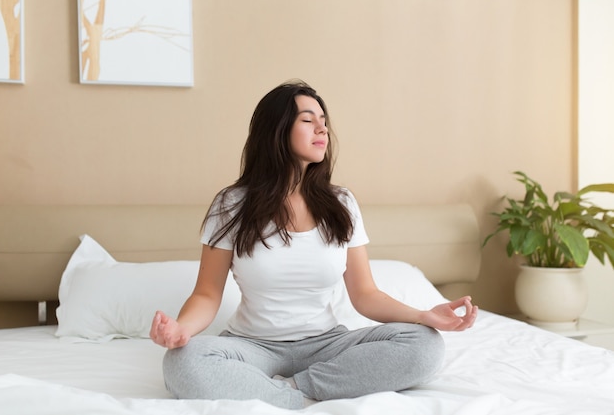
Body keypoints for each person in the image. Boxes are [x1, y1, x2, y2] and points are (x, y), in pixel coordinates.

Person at [150, 80, 478, 409]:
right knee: (183, 361)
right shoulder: (232, 204)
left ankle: (295, 390)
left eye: (324, 121)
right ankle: (307, 396)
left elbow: (366, 295)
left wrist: (423, 315)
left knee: (425, 345)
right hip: (251, 347)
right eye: (308, 120)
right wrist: (181, 329)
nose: (322, 128)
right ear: (276, 130)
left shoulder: (342, 203)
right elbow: (207, 294)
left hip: (326, 345)